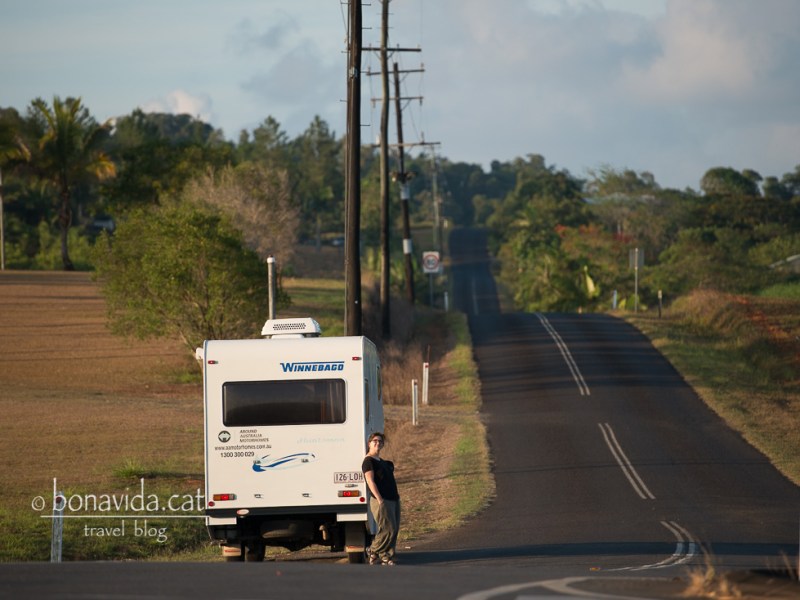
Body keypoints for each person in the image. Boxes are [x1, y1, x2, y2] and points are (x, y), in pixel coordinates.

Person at [361, 431, 400, 565]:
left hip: (393, 499)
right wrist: (379, 499)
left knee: (394, 529)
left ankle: (386, 556)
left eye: (380, 441)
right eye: (375, 441)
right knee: (388, 528)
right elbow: (370, 482)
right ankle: (372, 550)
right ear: (369, 443)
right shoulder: (368, 461)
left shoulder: (382, 461)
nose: (378, 443)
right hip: (381, 500)